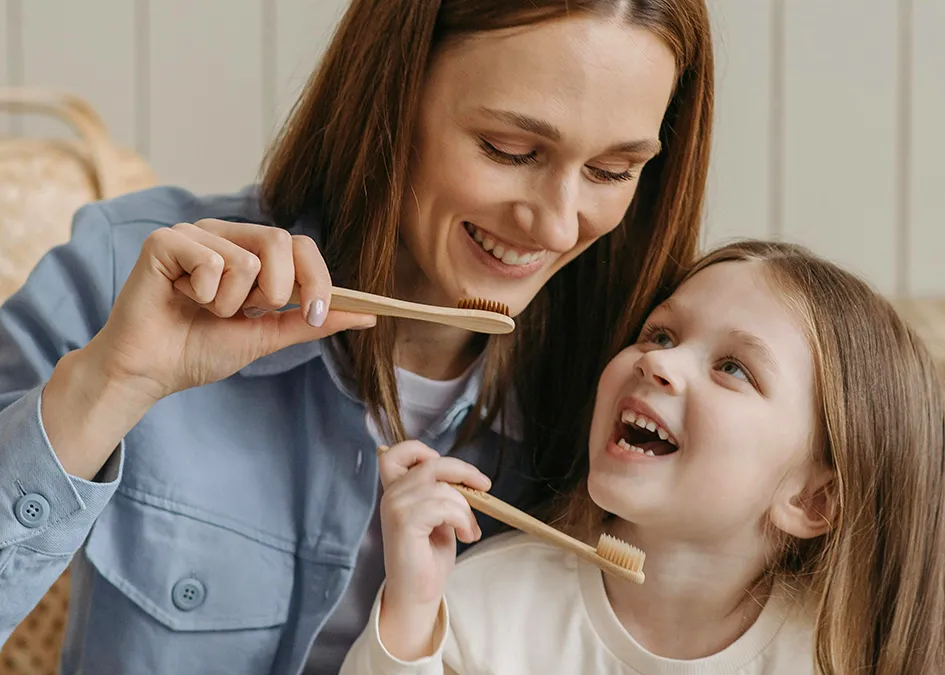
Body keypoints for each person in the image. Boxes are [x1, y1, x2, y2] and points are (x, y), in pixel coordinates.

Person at [0, 1, 714, 673]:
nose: (559, 226)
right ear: (391, 95)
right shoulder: (130, 273)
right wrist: (112, 386)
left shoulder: (636, 395)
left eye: (611, 171)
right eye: (508, 149)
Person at [346, 240, 945, 675]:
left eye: (732, 368)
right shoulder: (483, 606)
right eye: (662, 334)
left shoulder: (831, 658)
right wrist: (410, 615)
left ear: (812, 499)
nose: (658, 361)